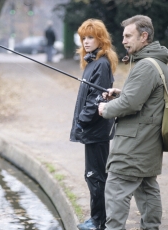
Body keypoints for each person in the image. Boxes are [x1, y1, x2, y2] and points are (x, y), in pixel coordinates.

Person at [98, 15, 168, 230]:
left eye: (129, 36)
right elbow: (145, 99)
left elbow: (131, 104)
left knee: (116, 188)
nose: (124, 41)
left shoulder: (146, 66)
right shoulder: (158, 63)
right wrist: (121, 93)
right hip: (148, 142)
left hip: (133, 145)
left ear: (144, 36)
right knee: (147, 189)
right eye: (123, 36)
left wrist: (105, 109)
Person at [70, 19, 118, 230]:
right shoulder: (92, 62)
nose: (86, 42)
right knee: (94, 175)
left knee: (96, 176)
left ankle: (99, 221)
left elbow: (96, 100)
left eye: (90, 37)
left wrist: (81, 122)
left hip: (96, 131)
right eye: (84, 38)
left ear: (101, 39)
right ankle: (98, 219)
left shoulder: (101, 64)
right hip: (91, 130)